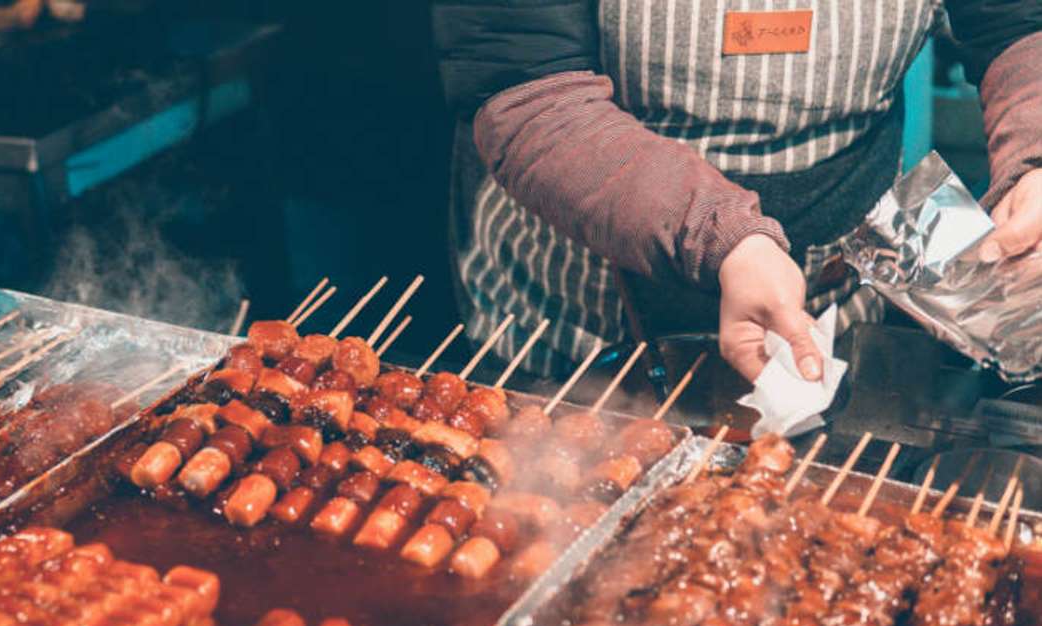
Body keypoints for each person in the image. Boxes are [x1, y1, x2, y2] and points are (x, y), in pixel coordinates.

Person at [433, 1, 1042, 382]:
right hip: (578, 320)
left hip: (839, 300)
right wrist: (725, 238)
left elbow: (1016, 23)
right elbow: (526, 92)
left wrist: (1033, 157)